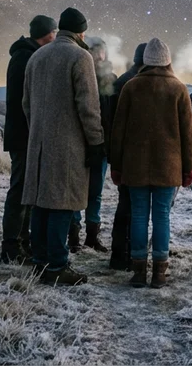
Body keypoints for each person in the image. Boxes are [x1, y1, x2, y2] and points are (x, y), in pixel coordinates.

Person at [22, 7, 106, 286]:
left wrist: (38, 129)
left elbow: (26, 103)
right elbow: (88, 106)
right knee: (61, 203)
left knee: (41, 203)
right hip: (68, 143)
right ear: (81, 32)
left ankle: (39, 261)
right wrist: (96, 141)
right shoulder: (80, 57)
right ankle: (57, 265)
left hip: (39, 141)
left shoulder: (37, 56)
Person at [109, 38, 192, 289]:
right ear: (168, 60)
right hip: (168, 166)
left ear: (145, 60)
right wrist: (189, 167)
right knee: (161, 217)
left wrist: (116, 165)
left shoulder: (131, 87)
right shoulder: (179, 89)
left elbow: (118, 131)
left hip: (134, 165)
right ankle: (159, 273)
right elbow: (188, 135)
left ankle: (137, 271)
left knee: (138, 216)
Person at [0, 14, 57, 264]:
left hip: (25, 133)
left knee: (25, 190)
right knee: (20, 190)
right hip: (25, 135)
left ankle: (21, 242)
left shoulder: (25, 55)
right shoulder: (27, 57)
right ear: (49, 34)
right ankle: (12, 247)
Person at [69, 36, 116, 253]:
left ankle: (91, 237)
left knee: (95, 192)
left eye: (101, 51)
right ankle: (74, 237)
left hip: (102, 145)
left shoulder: (112, 80)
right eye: (95, 51)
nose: (98, 56)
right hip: (80, 145)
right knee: (77, 190)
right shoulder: (80, 75)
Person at [107, 42, 147, 270]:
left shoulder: (121, 81)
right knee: (132, 208)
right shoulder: (135, 84)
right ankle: (128, 254)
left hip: (123, 153)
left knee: (126, 205)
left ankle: (119, 254)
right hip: (135, 155)